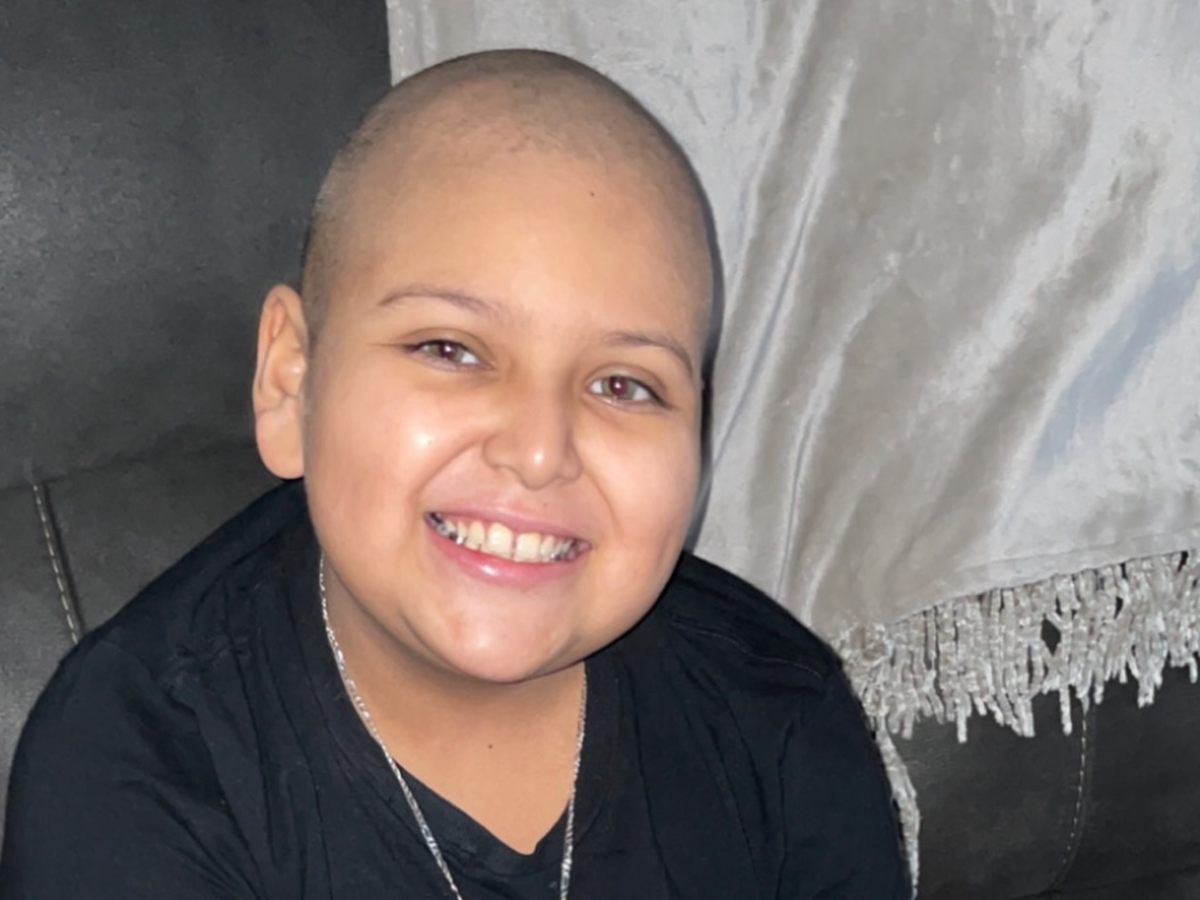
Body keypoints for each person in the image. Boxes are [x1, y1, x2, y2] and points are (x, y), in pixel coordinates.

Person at [0, 50, 909, 899]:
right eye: (451, 348)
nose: (540, 450)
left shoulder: (779, 715)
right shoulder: (133, 773)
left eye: (623, 384)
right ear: (292, 382)